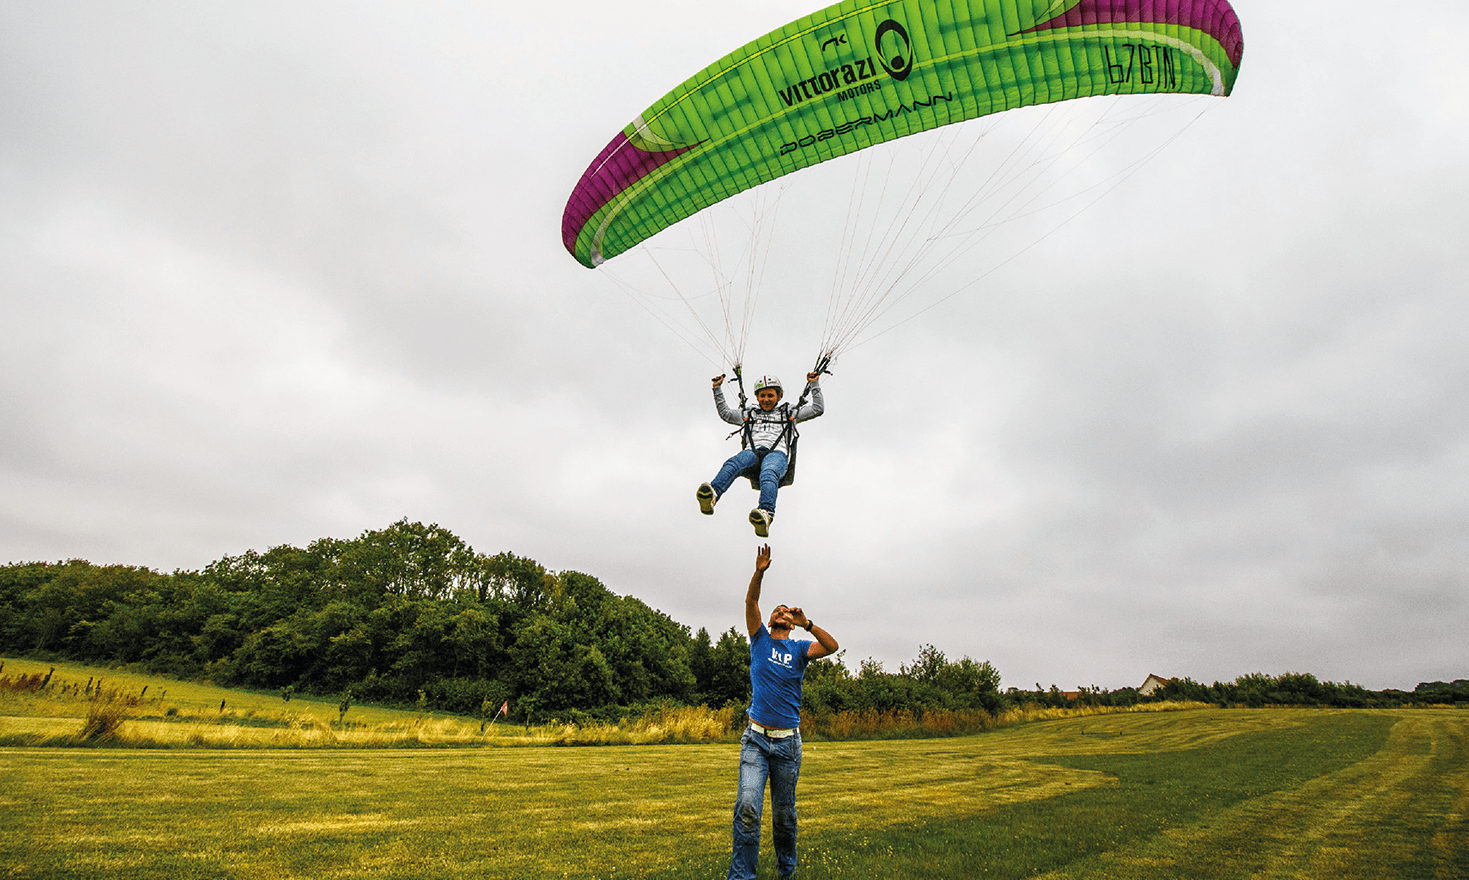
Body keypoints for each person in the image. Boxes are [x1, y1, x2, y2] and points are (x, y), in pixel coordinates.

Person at [728, 543, 838, 880]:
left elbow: (832, 647)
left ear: (790, 622)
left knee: (784, 817)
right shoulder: (759, 638)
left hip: (788, 745)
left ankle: (785, 872)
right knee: (747, 807)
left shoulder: (801, 648)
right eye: (778, 610)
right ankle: (741, 876)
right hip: (756, 740)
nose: (780, 612)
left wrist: (809, 623)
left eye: (785, 611)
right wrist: (759, 572)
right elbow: (751, 602)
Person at [697, 371, 824, 537]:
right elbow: (726, 414)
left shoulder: (789, 412)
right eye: (762, 396)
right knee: (733, 463)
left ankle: (766, 513)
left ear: (779, 396)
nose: (766, 399)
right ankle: (712, 494)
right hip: (753, 452)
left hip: (777, 454)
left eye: (770, 395)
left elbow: (817, 409)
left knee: (769, 473)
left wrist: (814, 383)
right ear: (756, 397)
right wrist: (717, 388)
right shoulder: (750, 414)